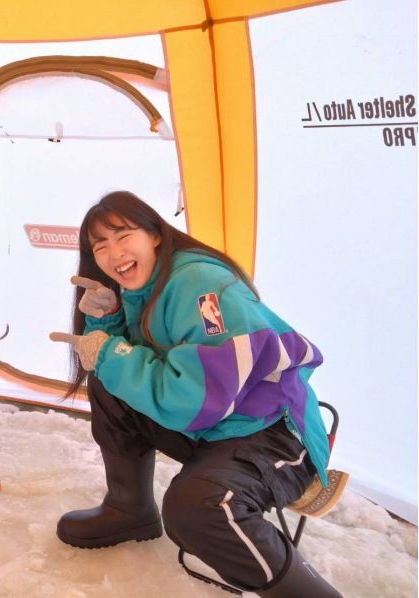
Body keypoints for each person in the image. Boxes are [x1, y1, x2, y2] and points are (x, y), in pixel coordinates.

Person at [50, 191, 341, 597]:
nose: (113, 253)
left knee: (197, 509)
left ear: (153, 233)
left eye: (122, 235)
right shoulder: (143, 287)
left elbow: (195, 400)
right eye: (100, 246)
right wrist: (111, 320)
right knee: (109, 383)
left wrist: (112, 354)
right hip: (223, 427)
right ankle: (129, 509)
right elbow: (150, 364)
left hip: (274, 433)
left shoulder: (200, 286)